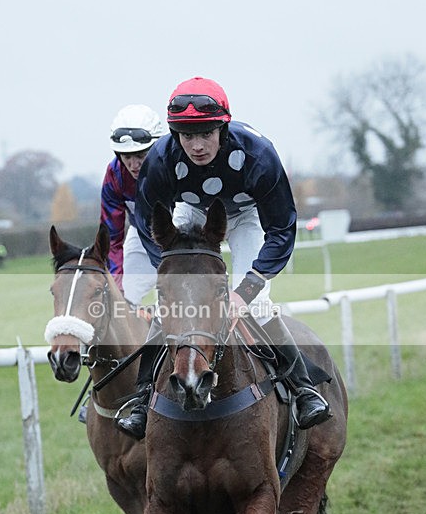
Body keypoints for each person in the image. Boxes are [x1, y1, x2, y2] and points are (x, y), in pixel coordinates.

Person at [115, 76, 330, 440]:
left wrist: (244, 290)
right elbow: (148, 221)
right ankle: (140, 400)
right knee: (168, 304)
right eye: (187, 136)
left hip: (247, 217)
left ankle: (303, 388)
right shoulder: (162, 159)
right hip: (194, 212)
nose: (196, 146)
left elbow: (281, 230)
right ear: (174, 135)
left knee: (257, 304)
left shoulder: (258, 155)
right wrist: (170, 276)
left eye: (206, 134)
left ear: (223, 127)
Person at [99, 104, 163, 304]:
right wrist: (116, 284)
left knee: (172, 299)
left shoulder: (174, 167)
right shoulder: (114, 176)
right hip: (141, 233)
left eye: (140, 156)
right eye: (127, 156)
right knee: (125, 297)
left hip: (180, 237)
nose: (134, 165)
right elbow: (112, 239)